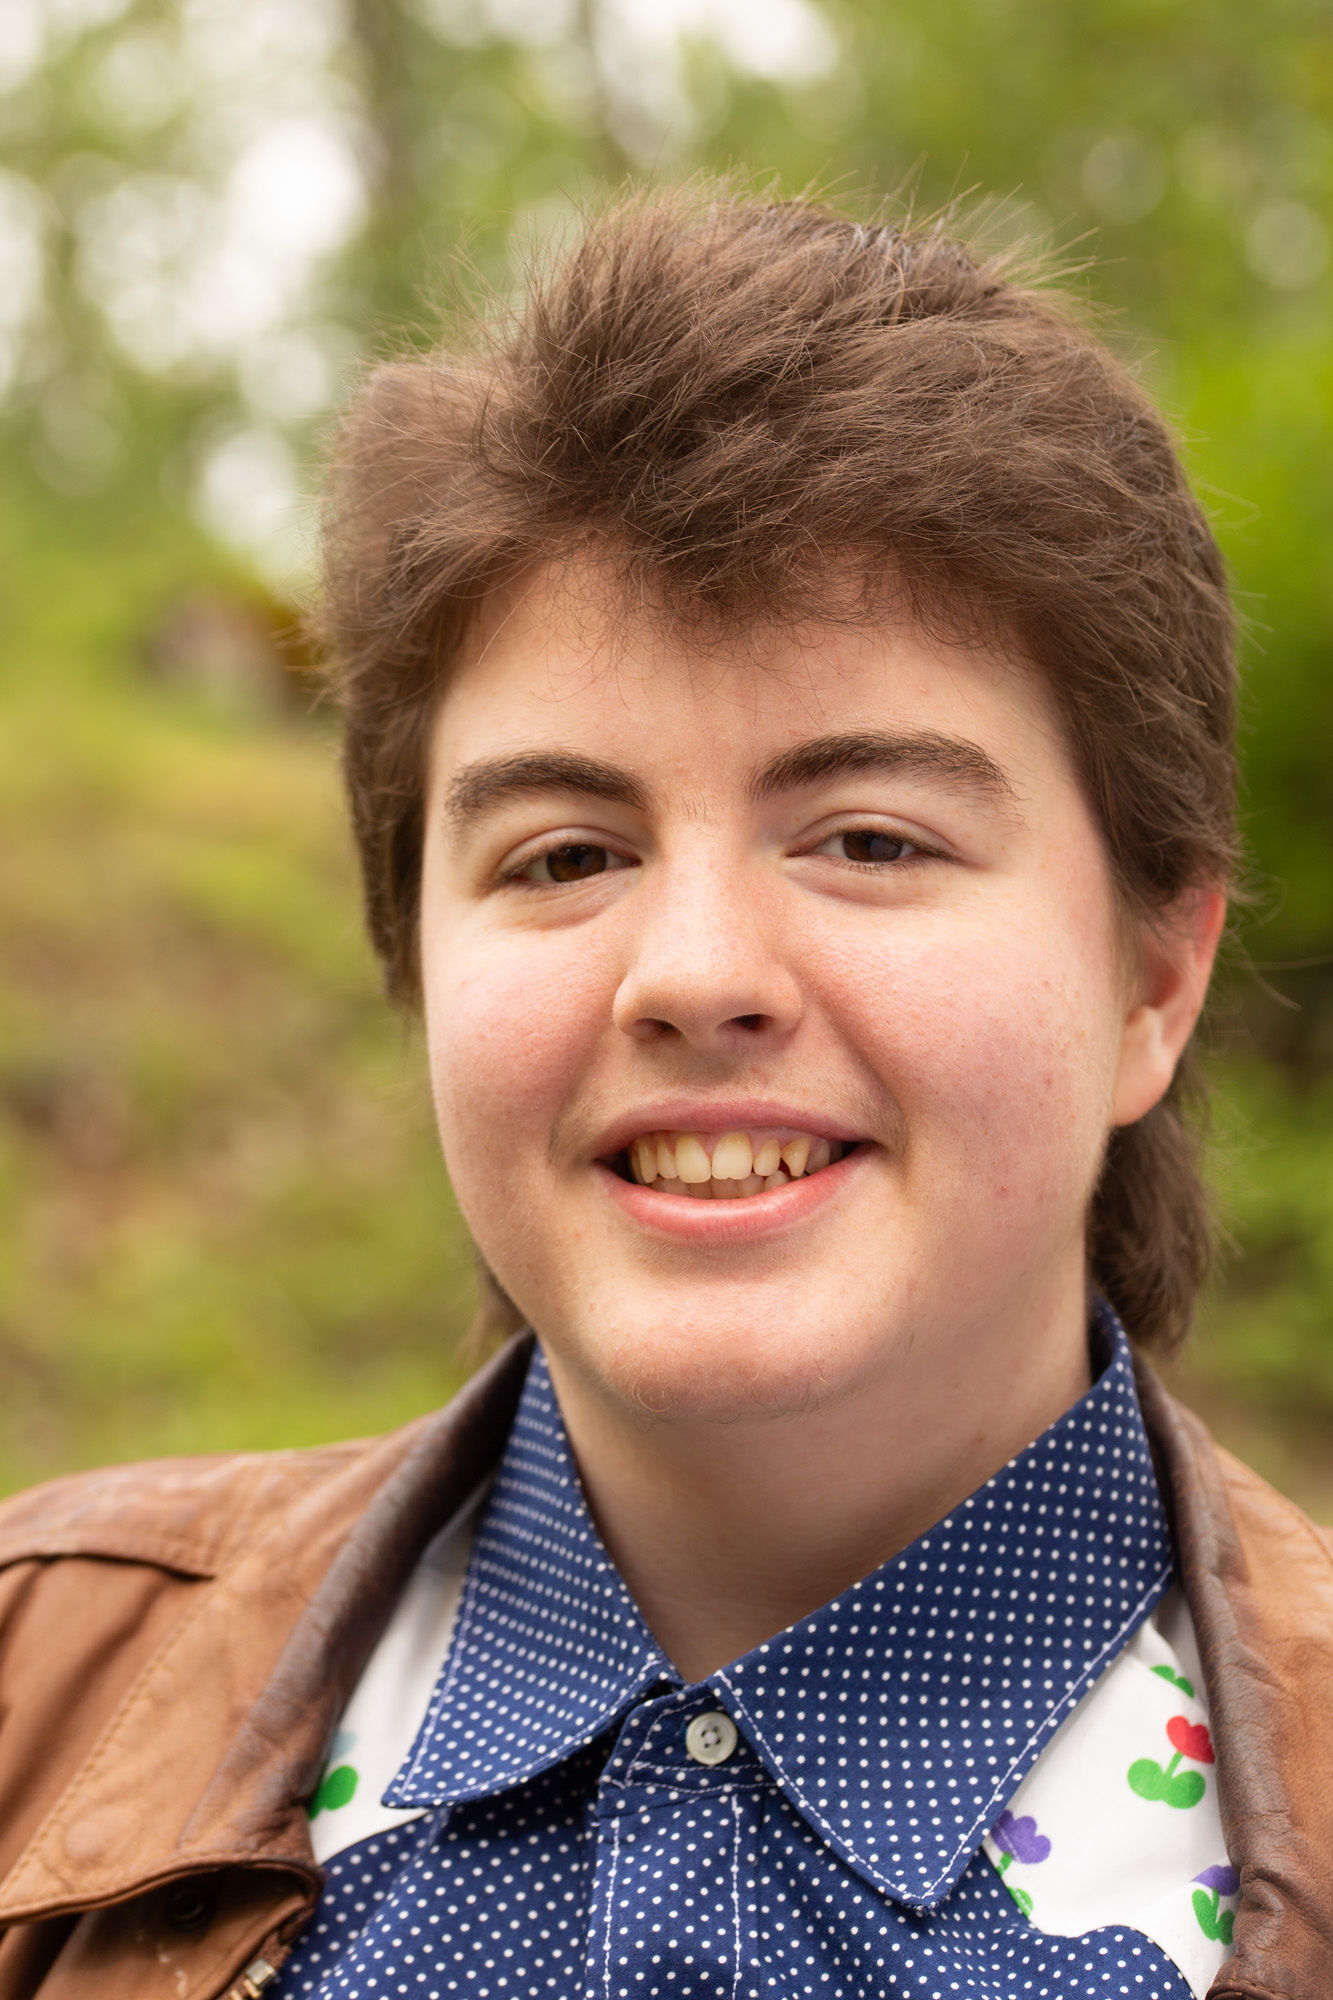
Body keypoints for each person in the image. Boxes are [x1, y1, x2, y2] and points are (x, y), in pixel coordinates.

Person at [0, 187, 1329, 2000]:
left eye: (868, 836)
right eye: (561, 856)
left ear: (1151, 980)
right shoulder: (31, 1689)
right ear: (416, 962)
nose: (694, 972)